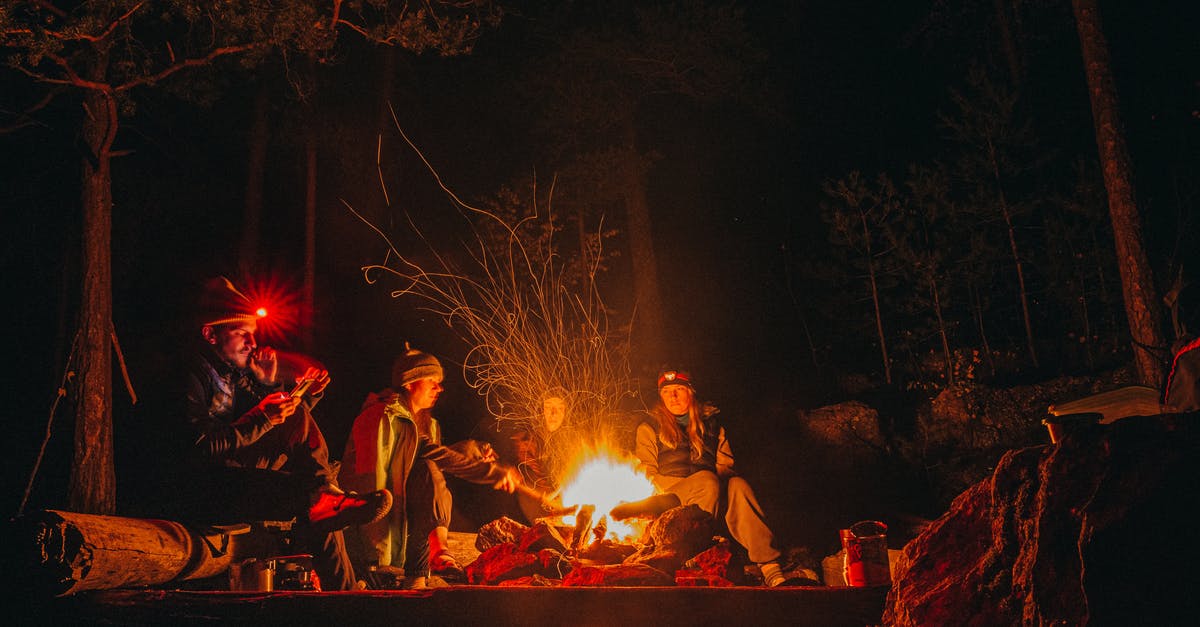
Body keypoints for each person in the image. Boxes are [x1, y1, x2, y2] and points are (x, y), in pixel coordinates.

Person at [170, 276, 392, 591]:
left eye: (253, 335)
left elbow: (281, 424)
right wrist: (264, 415)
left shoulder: (233, 375)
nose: (252, 343)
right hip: (202, 489)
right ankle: (344, 592)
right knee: (313, 503)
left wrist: (271, 386)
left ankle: (342, 588)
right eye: (241, 333)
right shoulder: (188, 374)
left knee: (318, 496)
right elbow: (199, 446)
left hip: (233, 475)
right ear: (210, 334)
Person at [341, 344, 522, 589]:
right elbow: (373, 478)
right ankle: (429, 562)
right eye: (431, 381)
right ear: (409, 383)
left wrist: (470, 451)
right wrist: (489, 473)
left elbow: (420, 465)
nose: (439, 388)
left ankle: (421, 569)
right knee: (428, 468)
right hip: (372, 536)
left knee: (428, 471)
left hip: (407, 534)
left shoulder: (427, 423)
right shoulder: (382, 416)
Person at [633, 368, 791, 587]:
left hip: (709, 496)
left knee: (738, 485)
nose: (674, 397)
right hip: (670, 499)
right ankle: (696, 557)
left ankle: (770, 567)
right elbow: (646, 474)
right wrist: (698, 483)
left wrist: (718, 483)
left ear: (691, 392)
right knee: (707, 480)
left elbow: (726, 467)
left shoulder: (713, 425)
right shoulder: (649, 426)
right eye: (667, 392)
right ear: (661, 396)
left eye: (679, 389)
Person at [509, 388, 586, 523]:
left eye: (560, 408)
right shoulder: (526, 440)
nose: (554, 414)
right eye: (548, 407)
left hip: (561, 507)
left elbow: (578, 472)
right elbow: (530, 484)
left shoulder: (572, 440)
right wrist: (553, 499)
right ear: (540, 411)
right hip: (533, 512)